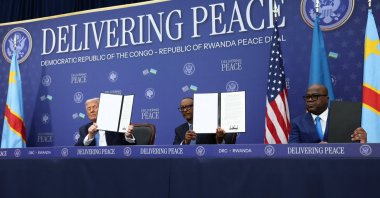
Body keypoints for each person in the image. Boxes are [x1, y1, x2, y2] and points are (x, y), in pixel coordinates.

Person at [289, 84, 367, 143]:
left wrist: (361, 141)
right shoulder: (296, 123)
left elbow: (352, 148)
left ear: (326, 99)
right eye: (307, 97)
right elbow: (293, 150)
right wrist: (316, 150)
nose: (310, 100)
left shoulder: (344, 118)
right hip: (310, 163)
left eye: (315, 96)